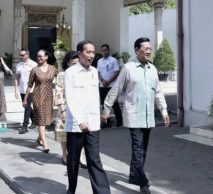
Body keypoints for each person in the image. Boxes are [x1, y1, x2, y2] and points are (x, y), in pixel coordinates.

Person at [102, 37, 170, 194]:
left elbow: (158, 92)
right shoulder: (128, 68)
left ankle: (134, 175)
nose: (148, 51)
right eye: (145, 48)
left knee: (142, 150)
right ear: (136, 50)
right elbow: (116, 89)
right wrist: (106, 110)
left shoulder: (152, 69)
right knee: (138, 150)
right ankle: (143, 183)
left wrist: (164, 110)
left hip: (148, 117)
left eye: (150, 48)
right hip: (134, 116)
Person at [64, 40, 110, 194]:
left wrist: (102, 113)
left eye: (93, 52)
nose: (91, 55)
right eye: (88, 52)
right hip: (76, 126)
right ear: (79, 54)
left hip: (93, 125)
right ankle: (71, 190)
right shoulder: (70, 73)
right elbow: (70, 98)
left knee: (95, 161)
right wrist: (80, 121)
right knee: (73, 161)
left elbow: (94, 98)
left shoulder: (94, 72)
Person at [54, 51, 87, 168]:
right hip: (66, 107)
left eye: (77, 63)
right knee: (63, 132)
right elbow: (58, 92)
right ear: (67, 63)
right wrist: (62, 109)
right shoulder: (62, 75)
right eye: (73, 63)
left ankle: (81, 156)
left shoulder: (83, 74)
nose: (75, 65)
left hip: (80, 107)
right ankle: (64, 155)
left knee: (81, 131)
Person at [23, 49, 58, 153]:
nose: (39, 58)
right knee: (41, 119)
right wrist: (25, 98)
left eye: (41, 56)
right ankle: (45, 144)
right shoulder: (34, 70)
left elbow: (60, 80)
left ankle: (39, 138)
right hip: (38, 97)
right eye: (38, 56)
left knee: (46, 120)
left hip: (49, 97)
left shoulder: (53, 69)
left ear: (46, 57)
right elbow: (29, 85)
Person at [97, 44, 122, 127]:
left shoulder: (113, 60)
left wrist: (108, 81)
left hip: (111, 85)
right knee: (104, 104)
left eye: (105, 50)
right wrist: (102, 80)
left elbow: (116, 72)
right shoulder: (99, 61)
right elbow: (98, 72)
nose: (104, 52)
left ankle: (119, 122)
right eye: (102, 50)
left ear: (109, 50)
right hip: (102, 86)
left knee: (114, 104)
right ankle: (107, 123)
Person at [15, 49, 37, 134]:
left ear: (27, 55)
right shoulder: (19, 65)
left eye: (23, 55)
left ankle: (25, 126)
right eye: (20, 55)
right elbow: (17, 78)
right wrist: (16, 90)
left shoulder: (33, 64)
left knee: (27, 106)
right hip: (22, 89)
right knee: (26, 106)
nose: (21, 56)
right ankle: (34, 120)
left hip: (31, 89)